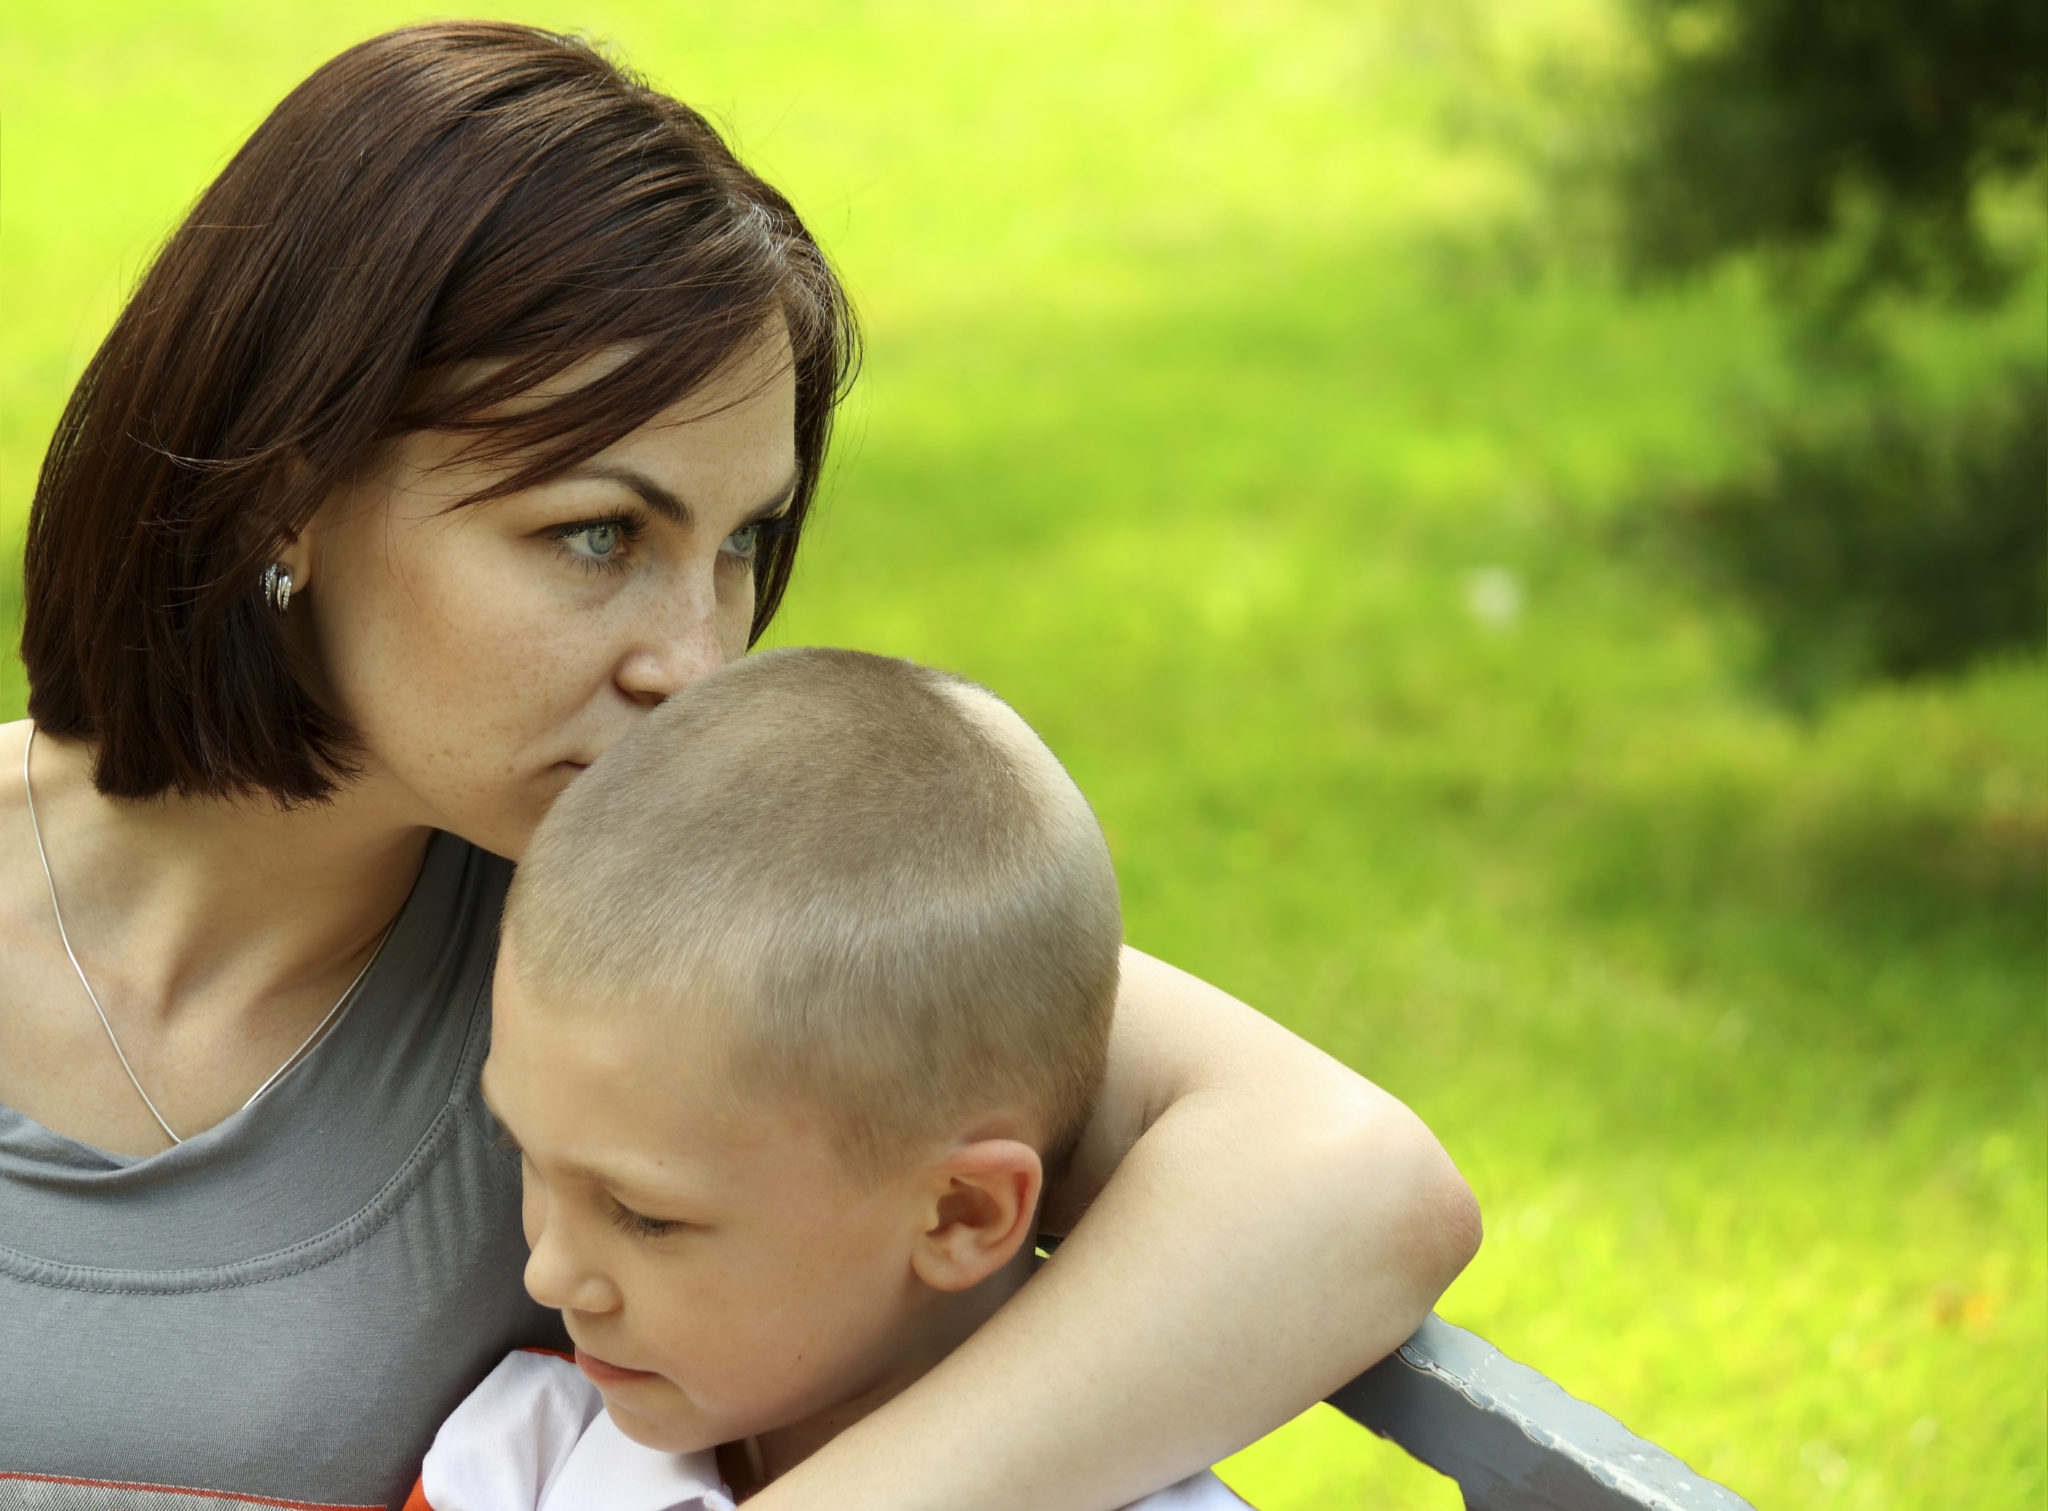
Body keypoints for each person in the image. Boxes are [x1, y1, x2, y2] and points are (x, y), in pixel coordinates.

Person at [0, 20, 1479, 1511]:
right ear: (287, 491)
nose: (694, 662)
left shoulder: (640, 956)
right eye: (599, 534)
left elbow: (1349, 1181)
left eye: (742, 545)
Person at [409, 646, 1252, 1510]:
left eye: (646, 1216)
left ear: (962, 1211)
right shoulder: (522, 1457)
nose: (548, 1276)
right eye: (526, 1153)